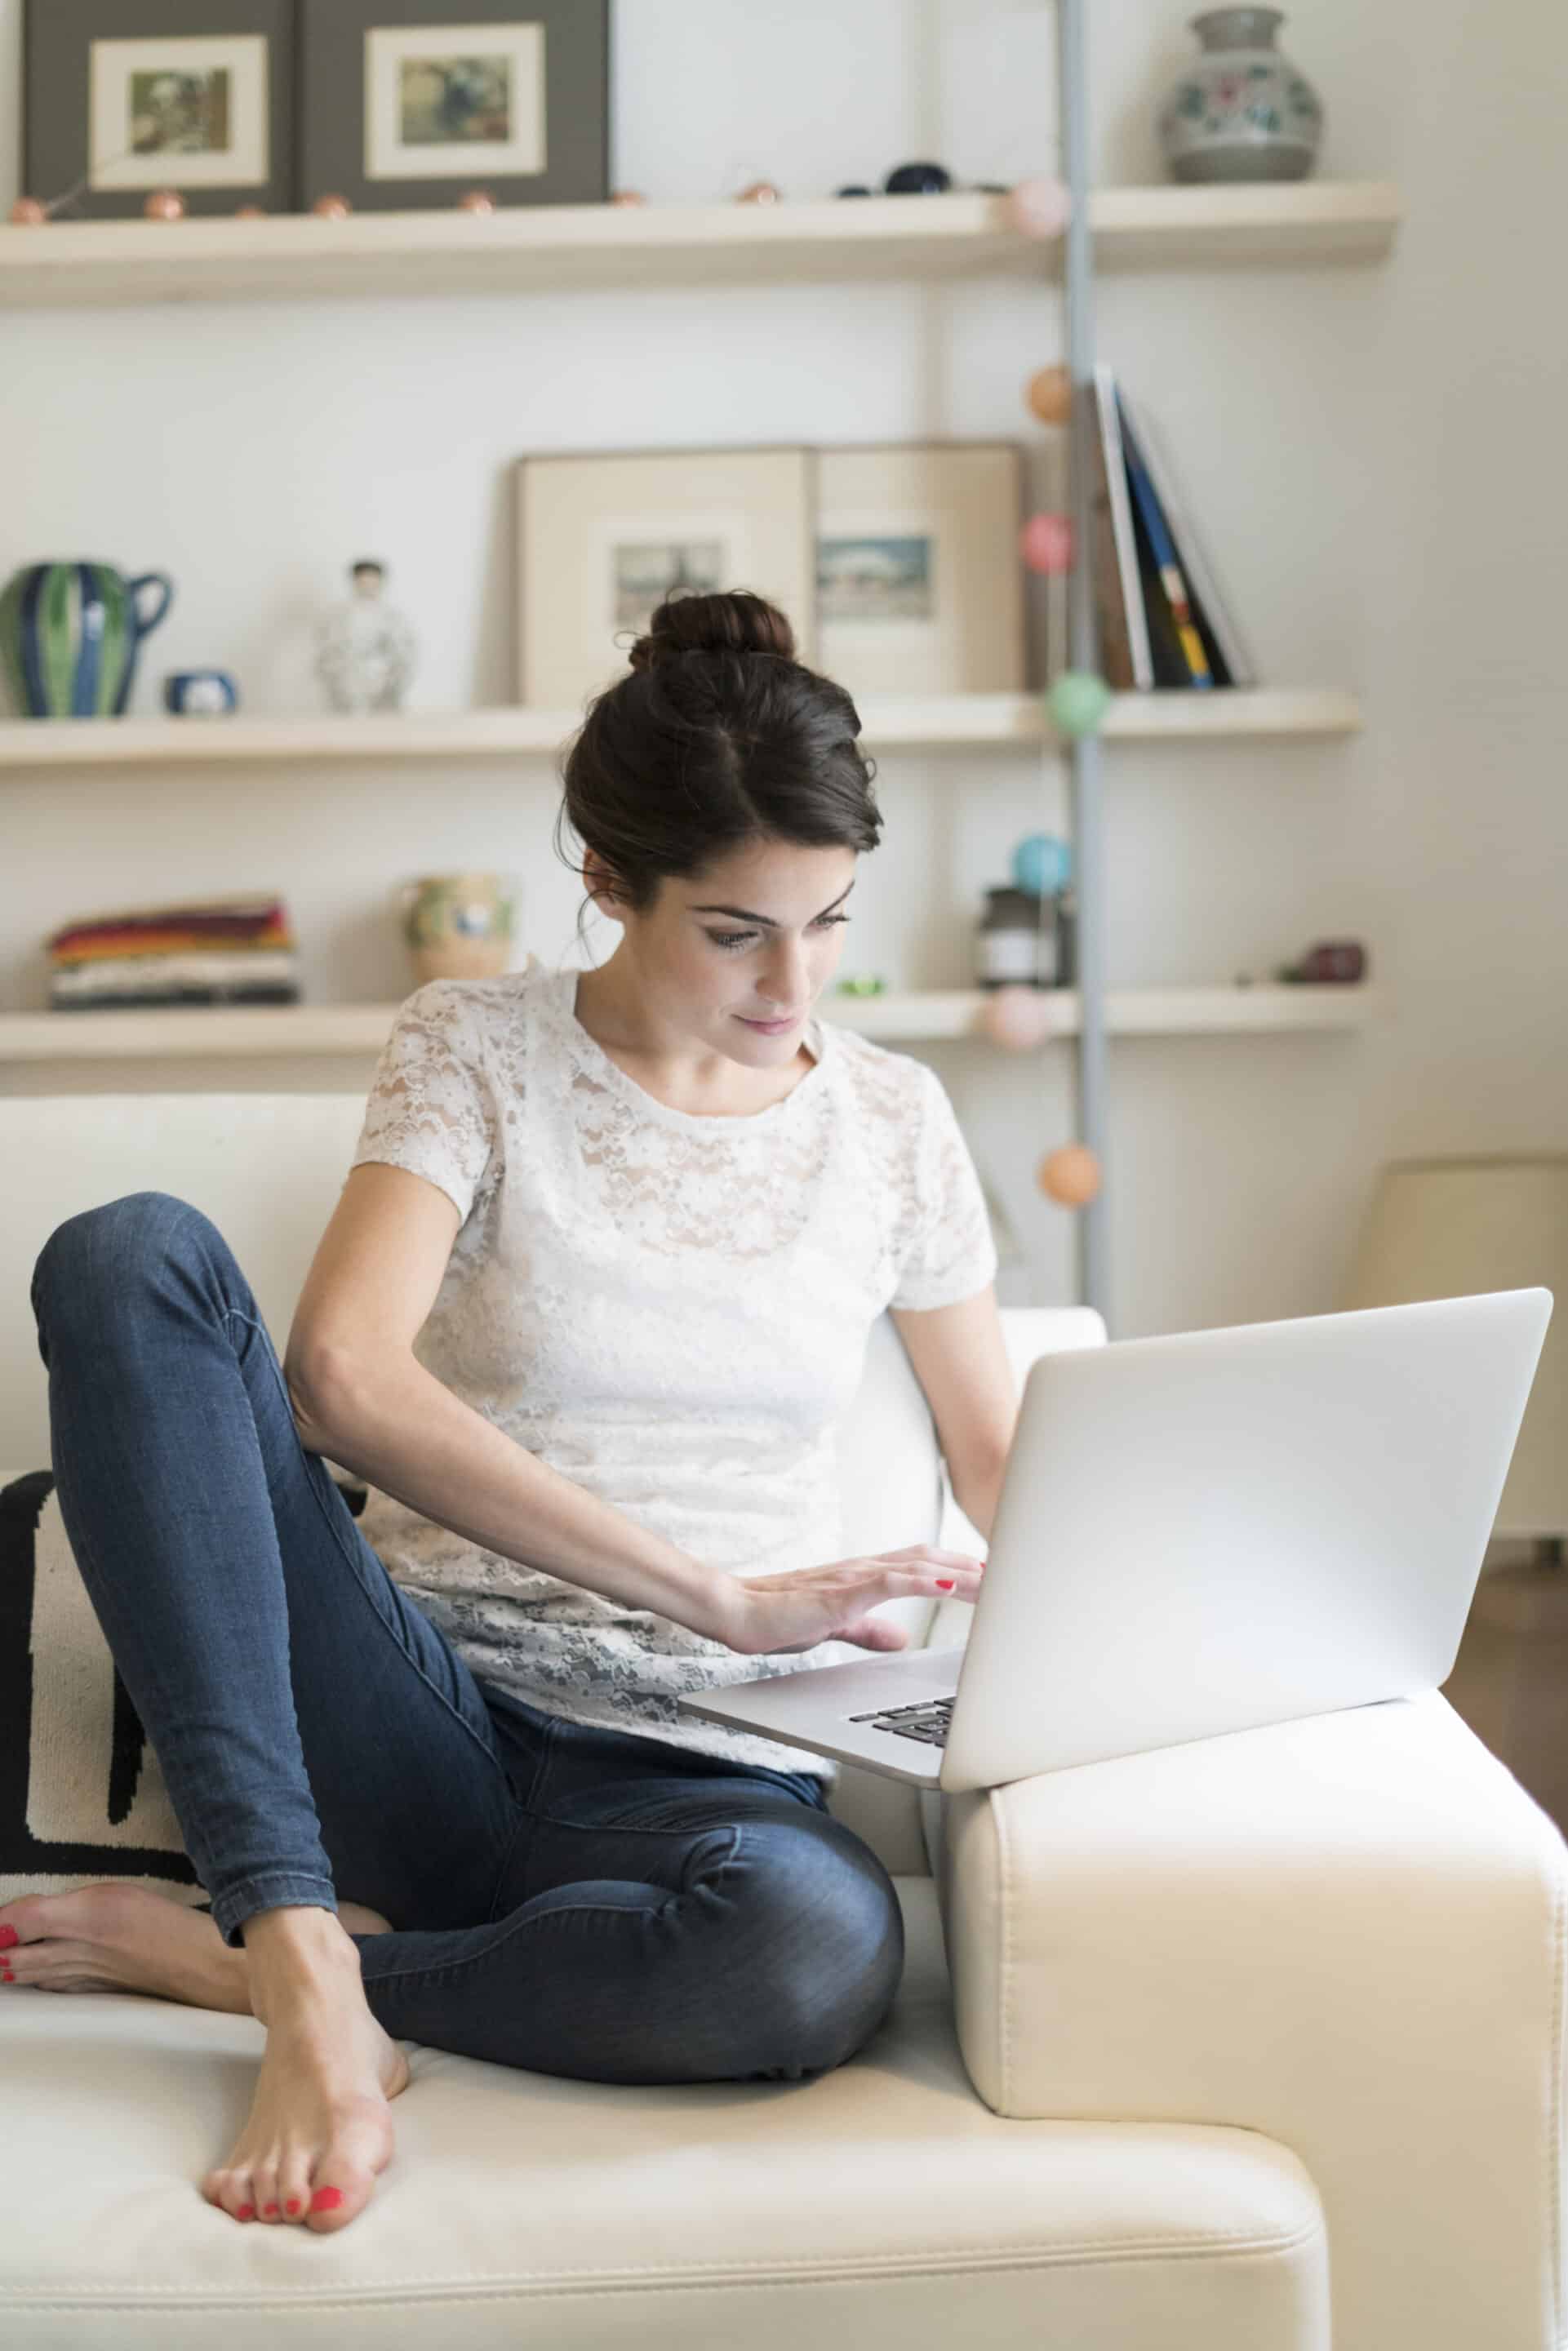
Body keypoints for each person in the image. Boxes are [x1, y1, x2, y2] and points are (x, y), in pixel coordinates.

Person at [6, 588, 1002, 2238]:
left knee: (817, 1951)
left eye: (825, 920)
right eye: (735, 931)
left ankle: (283, 1973)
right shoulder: (471, 1043)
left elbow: (1000, 1460)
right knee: (133, 1261)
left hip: (706, 1787)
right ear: (609, 886)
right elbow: (342, 1373)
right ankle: (300, 1948)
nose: (793, 984)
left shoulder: (897, 1120)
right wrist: (715, 1596)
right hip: (419, 1721)